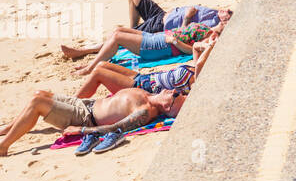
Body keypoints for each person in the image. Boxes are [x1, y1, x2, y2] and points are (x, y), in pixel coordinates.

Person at [0, 86, 180, 157]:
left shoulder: (145, 112)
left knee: (37, 103)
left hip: (84, 116)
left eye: (176, 95)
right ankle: (8, 128)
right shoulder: (148, 93)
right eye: (176, 91)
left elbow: (116, 128)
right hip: (87, 104)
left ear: (168, 108)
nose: (172, 91)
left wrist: (81, 130)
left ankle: (4, 146)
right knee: (39, 94)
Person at [59, 0, 230, 59]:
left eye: (228, 14)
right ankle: (134, 28)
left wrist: (186, 17)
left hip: (161, 26)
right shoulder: (214, 12)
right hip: (160, 14)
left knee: (118, 36)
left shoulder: (210, 26)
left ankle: (84, 51)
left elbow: (186, 35)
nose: (226, 10)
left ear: (225, 23)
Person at [73, 36, 216, 103]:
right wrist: (206, 46)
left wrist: (210, 48)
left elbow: (200, 63)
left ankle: (73, 104)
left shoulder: (199, 80)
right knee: (102, 65)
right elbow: (196, 47)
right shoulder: (198, 69)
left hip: (143, 89)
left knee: (98, 73)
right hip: (143, 78)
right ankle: (74, 100)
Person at [70, 20, 220, 78]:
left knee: (117, 38)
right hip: (160, 36)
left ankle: (90, 68)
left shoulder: (210, 37)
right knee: (118, 30)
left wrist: (174, 41)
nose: (223, 18)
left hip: (161, 46)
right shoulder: (207, 27)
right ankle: (89, 58)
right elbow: (186, 33)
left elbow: (193, 50)